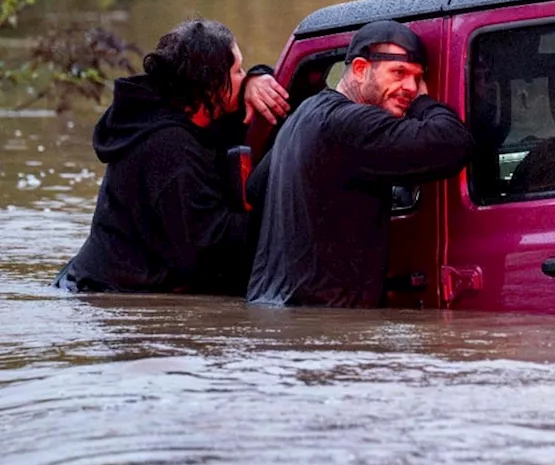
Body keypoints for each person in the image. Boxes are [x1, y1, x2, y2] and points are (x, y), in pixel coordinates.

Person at [246, 20, 473, 308]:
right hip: (326, 324)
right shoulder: (349, 124)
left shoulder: (302, 117)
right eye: (399, 73)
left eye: (418, 78)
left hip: (273, 311)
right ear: (360, 69)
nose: (410, 87)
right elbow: (452, 144)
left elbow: (255, 188)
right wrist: (422, 103)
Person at [54, 18, 290, 295]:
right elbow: (211, 249)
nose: (244, 76)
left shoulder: (192, 112)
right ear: (210, 84)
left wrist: (254, 79)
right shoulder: (168, 149)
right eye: (238, 71)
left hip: (117, 283)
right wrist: (282, 212)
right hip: (111, 293)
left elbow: (281, 93)